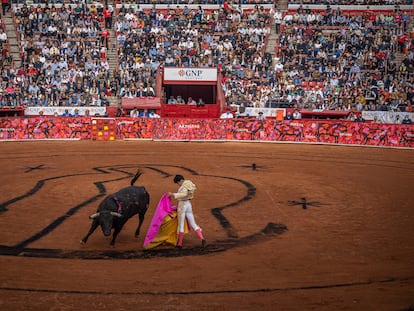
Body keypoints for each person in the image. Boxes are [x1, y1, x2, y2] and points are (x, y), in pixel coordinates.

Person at [167, 174, 206, 248]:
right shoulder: (190, 183)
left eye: (178, 183)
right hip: (188, 205)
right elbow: (193, 188)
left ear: (180, 180)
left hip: (182, 205)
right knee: (193, 223)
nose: (178, 185)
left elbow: (183, 194)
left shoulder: (183, 186)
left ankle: (180, 243)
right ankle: (202, 238)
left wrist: (172, 194)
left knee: (181, 224)